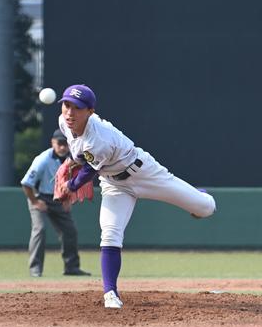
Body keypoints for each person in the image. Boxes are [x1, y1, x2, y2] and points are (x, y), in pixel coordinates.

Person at [54, 84, 215, 309]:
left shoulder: (98, 138)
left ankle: (199, 197)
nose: (70, 113)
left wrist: (70, 185)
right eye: (66, 105)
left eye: (77, 108)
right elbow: (80, 153)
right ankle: (110, 293)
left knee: (206, 208)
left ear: (90, 111)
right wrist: (71, 162)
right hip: (114, 184)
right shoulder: (64, 123)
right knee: (110, 233)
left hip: (144, 173)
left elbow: (88, 171)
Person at [20, 130, 90, 278]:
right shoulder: (43, 160)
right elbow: (26, 183)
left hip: (59, 199)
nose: (63, 147)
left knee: (70, 231)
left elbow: (73, 181)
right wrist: (35, 202)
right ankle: (35, 269)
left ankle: (72, 268)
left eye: (65, 144)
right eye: (59, 143)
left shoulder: (73, 158)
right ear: (53, 143)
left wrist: (67, 199)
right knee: (39, 229)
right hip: (40, 197)